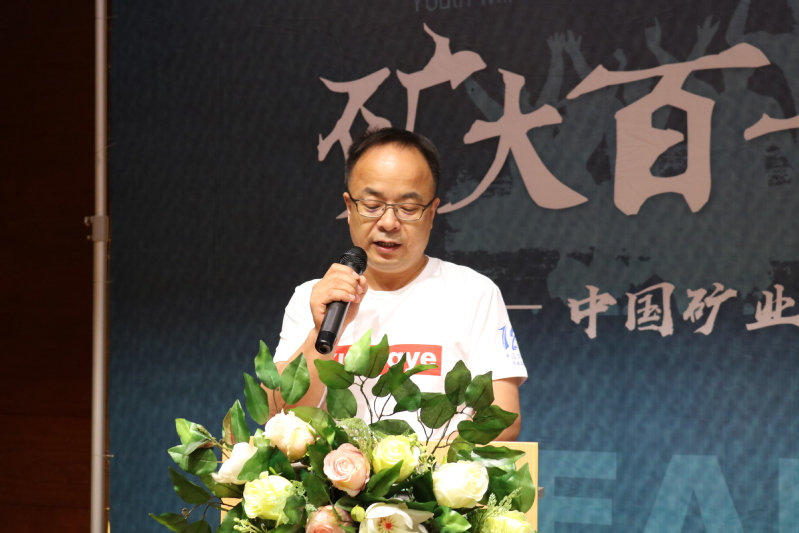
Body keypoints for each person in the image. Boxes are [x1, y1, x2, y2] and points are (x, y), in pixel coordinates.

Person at [272, 127, 527, 440]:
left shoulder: (473, 292)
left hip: (438, 470)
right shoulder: (312, 297)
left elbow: (503, 417)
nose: (389, 223)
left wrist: (425, 461)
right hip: (332, 473)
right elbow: (280, 414)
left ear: (431, 213)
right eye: (372, 205)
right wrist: (318, 334)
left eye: (408, 208)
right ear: (349, 207)